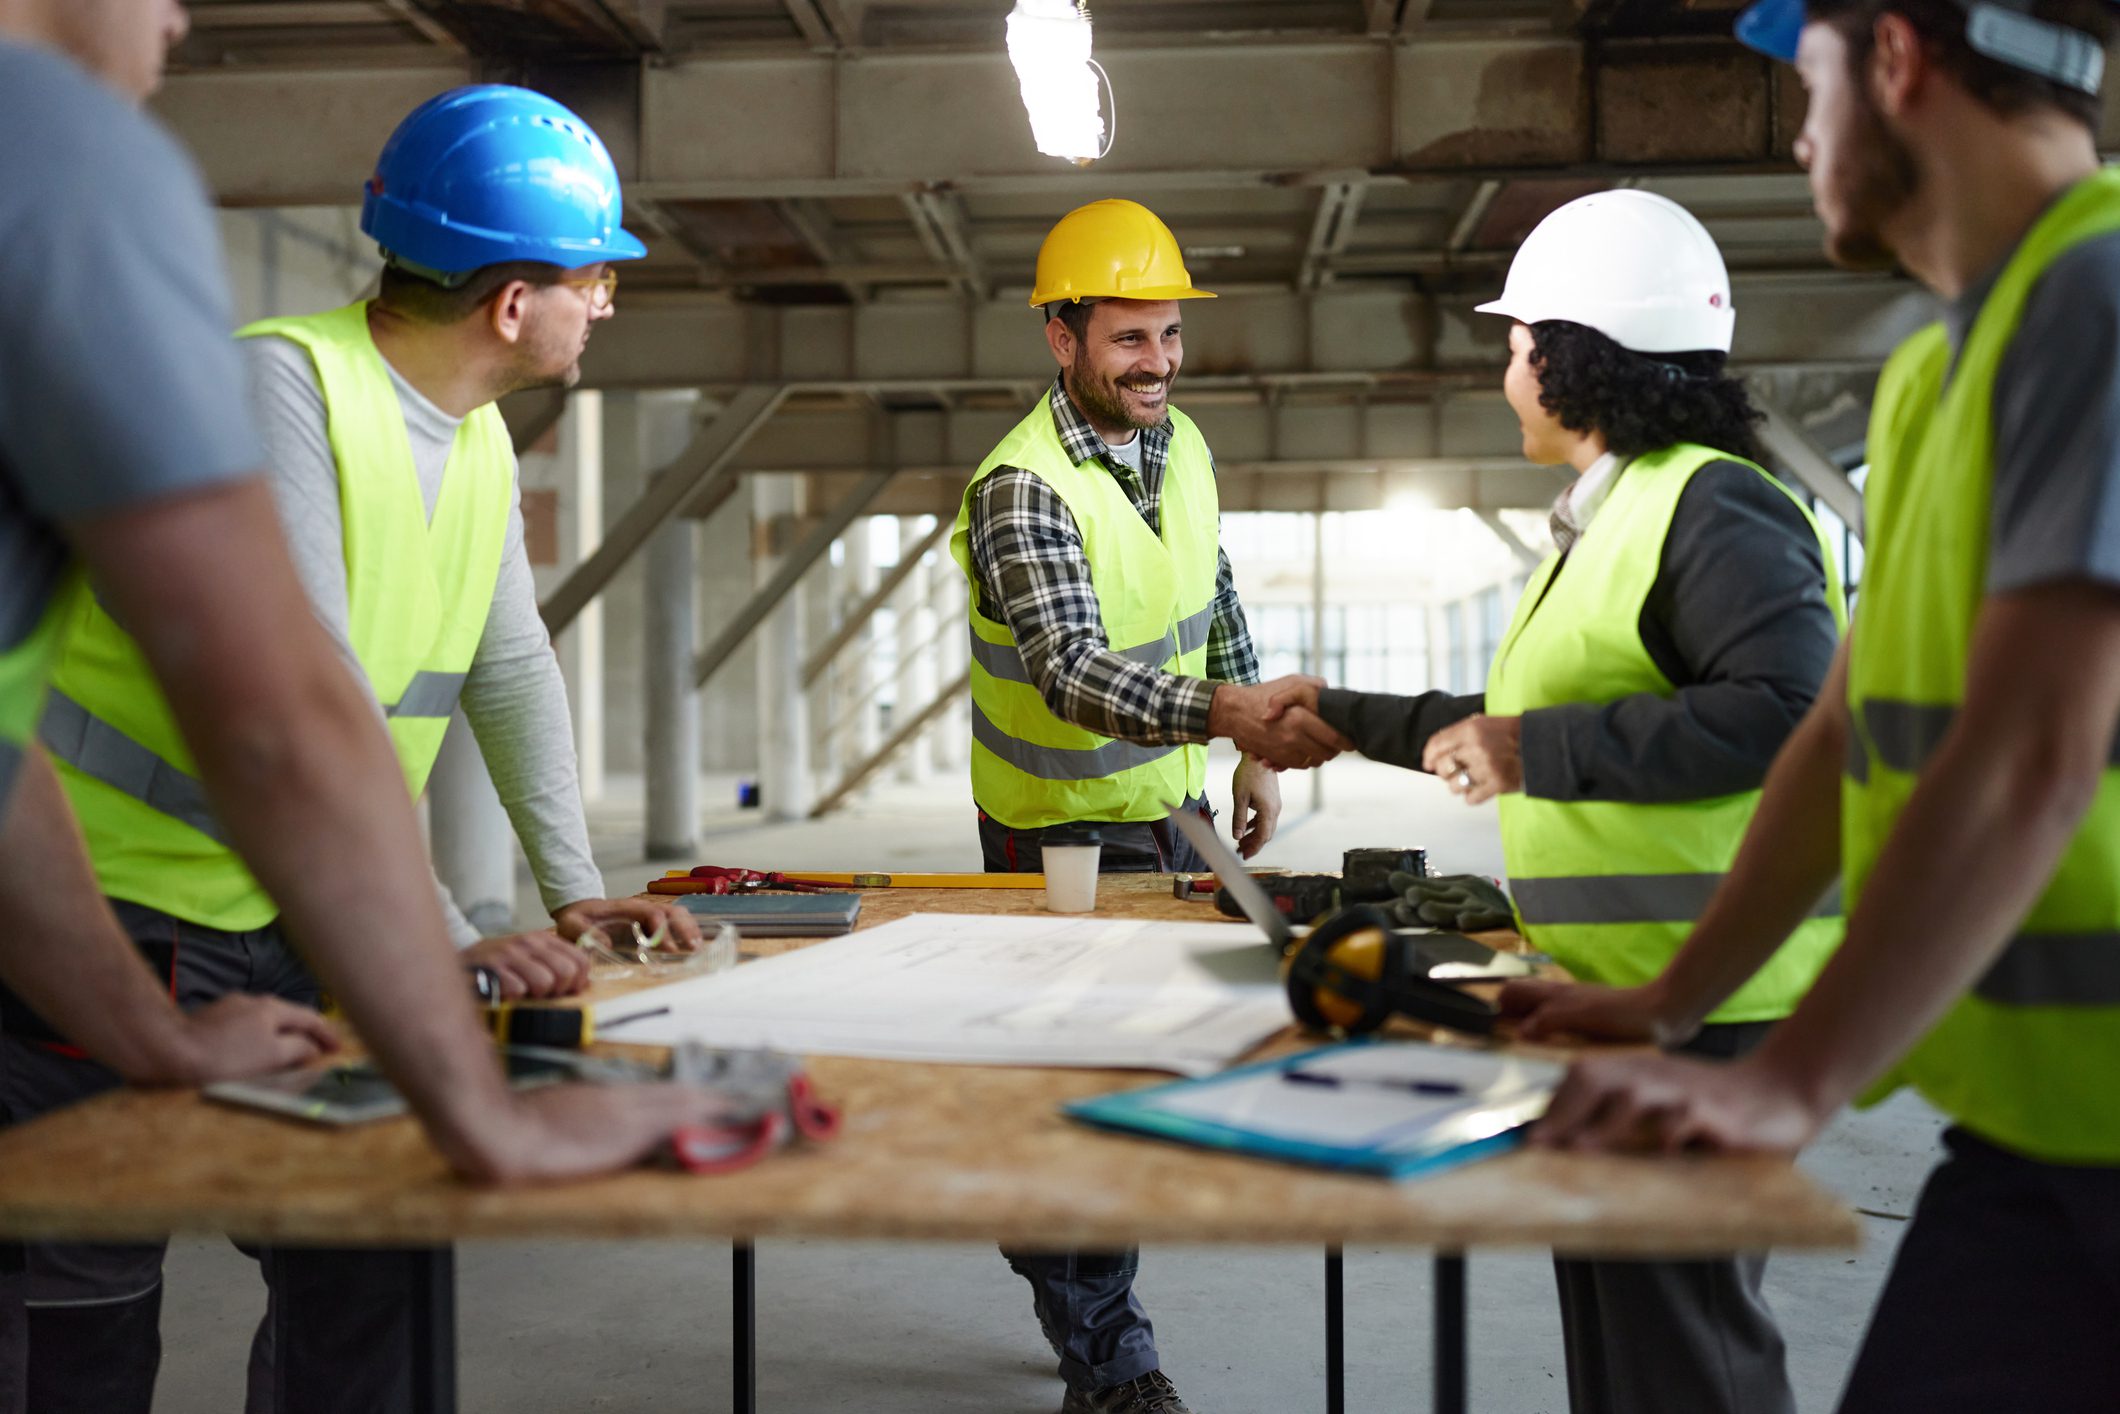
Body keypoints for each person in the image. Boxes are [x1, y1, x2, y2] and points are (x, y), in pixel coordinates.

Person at [0, 6, 726, 1410]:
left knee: (371, 1268)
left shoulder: (474, 442)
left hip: (288, 922)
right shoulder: (286, 383)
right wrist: (453, 934)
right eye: (596, 275)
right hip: (120, 916)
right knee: (80, 1317)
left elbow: (510, 671)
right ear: (513, 301)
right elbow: (298, 705)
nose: (612, 301)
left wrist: (574, 891)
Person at [1511, 2, 2120, 1411]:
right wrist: (1670, 1002)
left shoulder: (2094, 295)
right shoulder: (1934, 374)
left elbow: (2032, 748)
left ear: (1896, 59)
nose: (1799, 137)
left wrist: (1789, 1078)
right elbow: (1840, 736)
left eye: (1811, 85)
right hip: (2039, 1134)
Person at [1273, 190, 1847, 1414]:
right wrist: (1338, 712)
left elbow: (1790, 714)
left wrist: (1536, 750)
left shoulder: (1711, 504)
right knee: (1626, 1345)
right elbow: (1516, 710)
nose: (1505, 372)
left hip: (1713, 1001)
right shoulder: (1614, 518)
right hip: (1614, 988)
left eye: (1514, 344)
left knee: (1685, 1351)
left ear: (1574, 352)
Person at [947, 198, 1345, 1414]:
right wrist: (1236, 713)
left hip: (1168, 812)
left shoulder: (1181, 445)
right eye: (1128, 339)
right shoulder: (1021, 487)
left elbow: (1208, 586)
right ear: (1060, 339)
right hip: (1054, 831)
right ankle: (1112, 1369)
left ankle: (1040, 1226)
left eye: (1168, 335)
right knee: (1096, 1096)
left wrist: (1254, 758)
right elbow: (1068, 671)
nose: (1158, 362)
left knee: (1130, 1082)